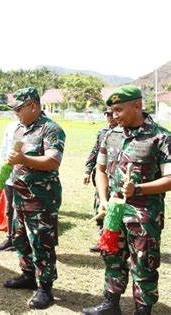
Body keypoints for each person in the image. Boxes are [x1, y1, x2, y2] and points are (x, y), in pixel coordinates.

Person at [82, 85, 171, 315]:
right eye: (112, 110)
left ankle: (143, 310)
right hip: (114, 212)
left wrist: (138, 189)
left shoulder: (160, 137)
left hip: (144, 216)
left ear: (138, 106)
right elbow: (100, 170)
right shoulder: (110, 136)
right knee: (112, 257)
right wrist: (103, 199)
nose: (114, 116)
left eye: (119, 110)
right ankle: (110, 304)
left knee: (144, 263)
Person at [3, 87, 65, 310]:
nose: (16, 113)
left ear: (33, 106)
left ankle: (45, 288)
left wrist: (24, 159)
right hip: (20, 194)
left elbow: (52, 161)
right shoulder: (20, 129)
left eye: (19, 108)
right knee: (20, 238)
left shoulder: (51, 129)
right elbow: (16, 158)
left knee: (41, 242)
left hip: (41, 197)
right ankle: (28, 275)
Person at [83, 107, 120, 253]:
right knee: (100, 210)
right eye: (107, 114)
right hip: (103, 180)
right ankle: (103, 240)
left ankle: (116, 242)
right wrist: (87, 170)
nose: (110, 117)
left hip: (118, 181)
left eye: (112, 114)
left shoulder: (123, 133)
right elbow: (95, 151)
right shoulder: (103, 132)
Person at [0, 114, 19, 251]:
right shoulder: (11, 126)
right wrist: (0, 169)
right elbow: (4, 149)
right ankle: (10, 237)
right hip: (9, 174)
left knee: (22, 209)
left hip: (25, 176)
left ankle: (22, 239)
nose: (17, 111)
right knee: (10, 208)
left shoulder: (35, 127)